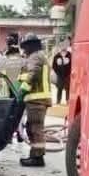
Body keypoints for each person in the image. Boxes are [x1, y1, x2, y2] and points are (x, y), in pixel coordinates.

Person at [17, 33, 52, 167]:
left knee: (35, 128)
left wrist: (22, 91)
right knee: (32, 128)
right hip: (36, 99)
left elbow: (32, 75)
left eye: (25, 47)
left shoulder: (35, 57)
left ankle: (37, 157)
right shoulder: (37, 56)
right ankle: (35, 155)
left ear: (31, 46)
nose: (24, 50)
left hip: (36, 99)